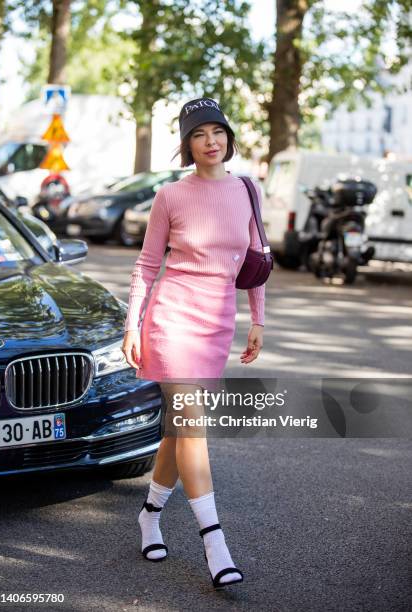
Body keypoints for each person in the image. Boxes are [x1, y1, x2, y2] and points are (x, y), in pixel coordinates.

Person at [122, 97, 265, 590]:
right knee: (193, 427)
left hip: (217, 321)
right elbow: (145, 264)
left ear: (228, 137)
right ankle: (214, 541)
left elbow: (254, 257)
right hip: (172, 319)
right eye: (200, 134)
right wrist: (130, 325)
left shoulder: (247, 190)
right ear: (187, 144)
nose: (211, 141)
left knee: (179, 431)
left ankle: (149, 516)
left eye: (218, 131)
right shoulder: (170, 196)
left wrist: (258, 318)